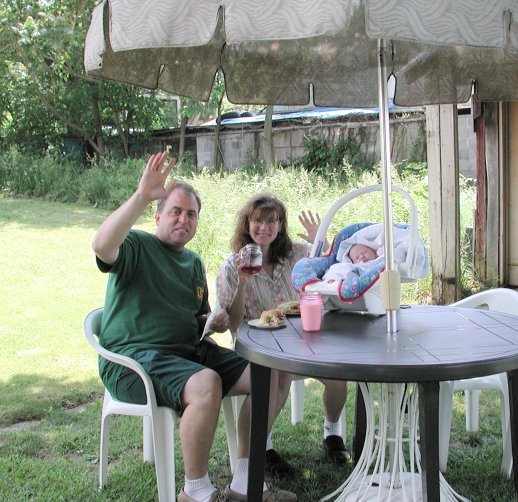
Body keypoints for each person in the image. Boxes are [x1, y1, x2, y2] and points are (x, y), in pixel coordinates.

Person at [92, 152, 296, 502]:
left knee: (270, 371)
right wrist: (141, 195)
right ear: (158, 216)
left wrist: (212, 321)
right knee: (206, 382)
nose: (183, 219)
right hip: (134, 361)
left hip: (188, 353)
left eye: (191, 214)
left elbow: (198, 318)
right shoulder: (137, 245)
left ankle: (245, 482)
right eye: (175, 211)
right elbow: (102, 246)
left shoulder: (192, 262)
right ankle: (196, 491)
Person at [210, 193, 350, 475]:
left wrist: (322, 241)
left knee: (338, 375)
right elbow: (233, 324)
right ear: (247, 224)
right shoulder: (232, 266)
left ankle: (332, 432)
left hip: (302, 338)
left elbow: (335, 267)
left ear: (281, 225)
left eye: (272, 221)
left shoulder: (296, 254)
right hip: (257, 345)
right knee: (280, 374)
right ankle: (263, 446)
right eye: (258, 221)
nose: (264, 228)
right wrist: (242, 283)